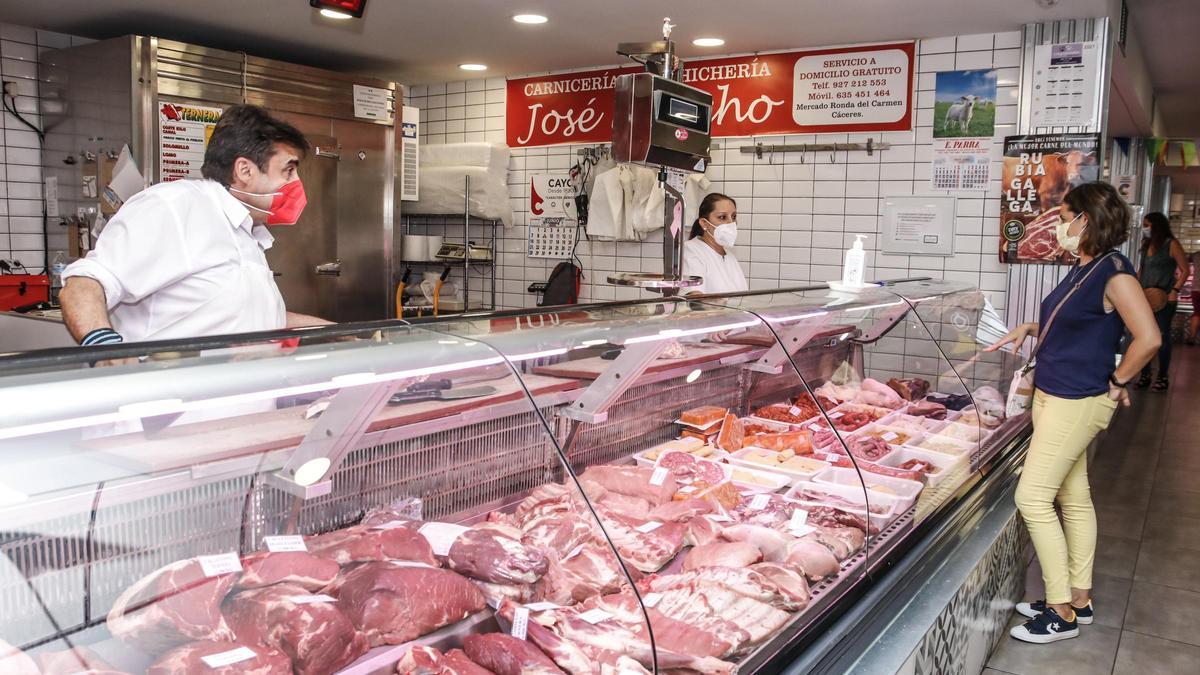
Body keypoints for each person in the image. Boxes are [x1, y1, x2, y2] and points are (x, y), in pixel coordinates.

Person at [986, 181, 1159, 644]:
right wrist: (1031, 326)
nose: (1058, 225)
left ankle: (1059, 610)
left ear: (1087, 220)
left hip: (1076, 401)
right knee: (1073, 498)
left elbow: (1149, 338)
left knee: (1033, 499)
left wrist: (1119, 381)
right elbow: (1082, 322)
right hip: (1057, 394)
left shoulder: (1115, 273)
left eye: (1064, 217)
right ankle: (1079, 599)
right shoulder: (1087, 266)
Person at [60, 104, 330, 347]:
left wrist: (341, 334)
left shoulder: (246, 232)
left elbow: (253, 319)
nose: (296, 183)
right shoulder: (176, 206)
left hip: (240, 398)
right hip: (173, 398)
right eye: (288, 170)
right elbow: (85, 281)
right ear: (245, 171)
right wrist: (105, 347)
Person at [1134, 212, 1189, 389]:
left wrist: (1175, 290)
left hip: (1165, 298)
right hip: (1145, 297)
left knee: (1162, 337)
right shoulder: (1146, 245)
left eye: (1147, 224)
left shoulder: (1171, 244)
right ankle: (1145, 374)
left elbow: (1185, 269)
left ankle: (1163, 376)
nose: (1145, 228)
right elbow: (1141, 271)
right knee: (1144, 336)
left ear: (1156, 226)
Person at [682, 193, 749, 295]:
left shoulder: (729, 256)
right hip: (711, 311)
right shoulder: (691, 250)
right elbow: (694, 298)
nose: (731, 223)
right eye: (722, 217)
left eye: (734, 217)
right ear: (704, 223)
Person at [1186, 248, 1200, 345]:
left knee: (1197, 312)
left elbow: (1185, 259)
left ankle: (1192, 337)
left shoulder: (1196, 255)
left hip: (1196, 288)